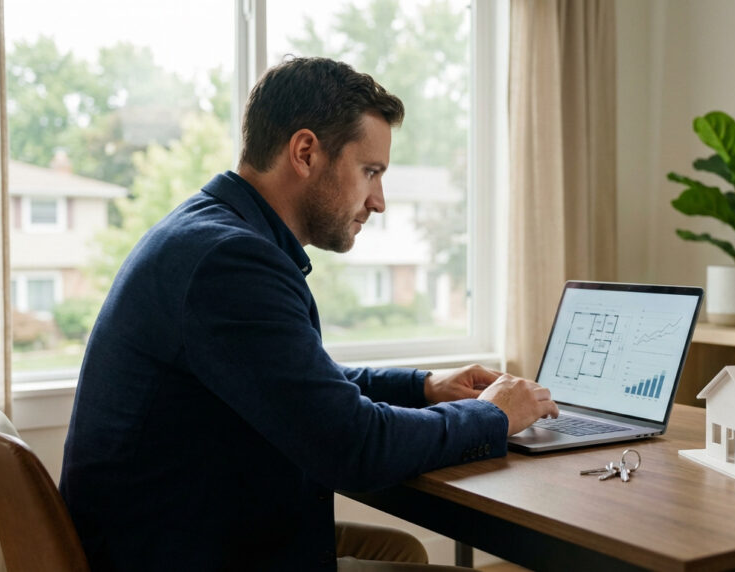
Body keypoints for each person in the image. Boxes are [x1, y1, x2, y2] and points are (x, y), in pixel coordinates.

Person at [59, 56, 559, 571]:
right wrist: (492, 416)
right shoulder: (230, 262)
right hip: (183, 553)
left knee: (400, 551)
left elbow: (301, 385)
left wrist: (424, 386)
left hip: (173, 534)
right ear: (305, 153)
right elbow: (355, 447)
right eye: (370, 172)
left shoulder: (208, 232)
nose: (379, 201)